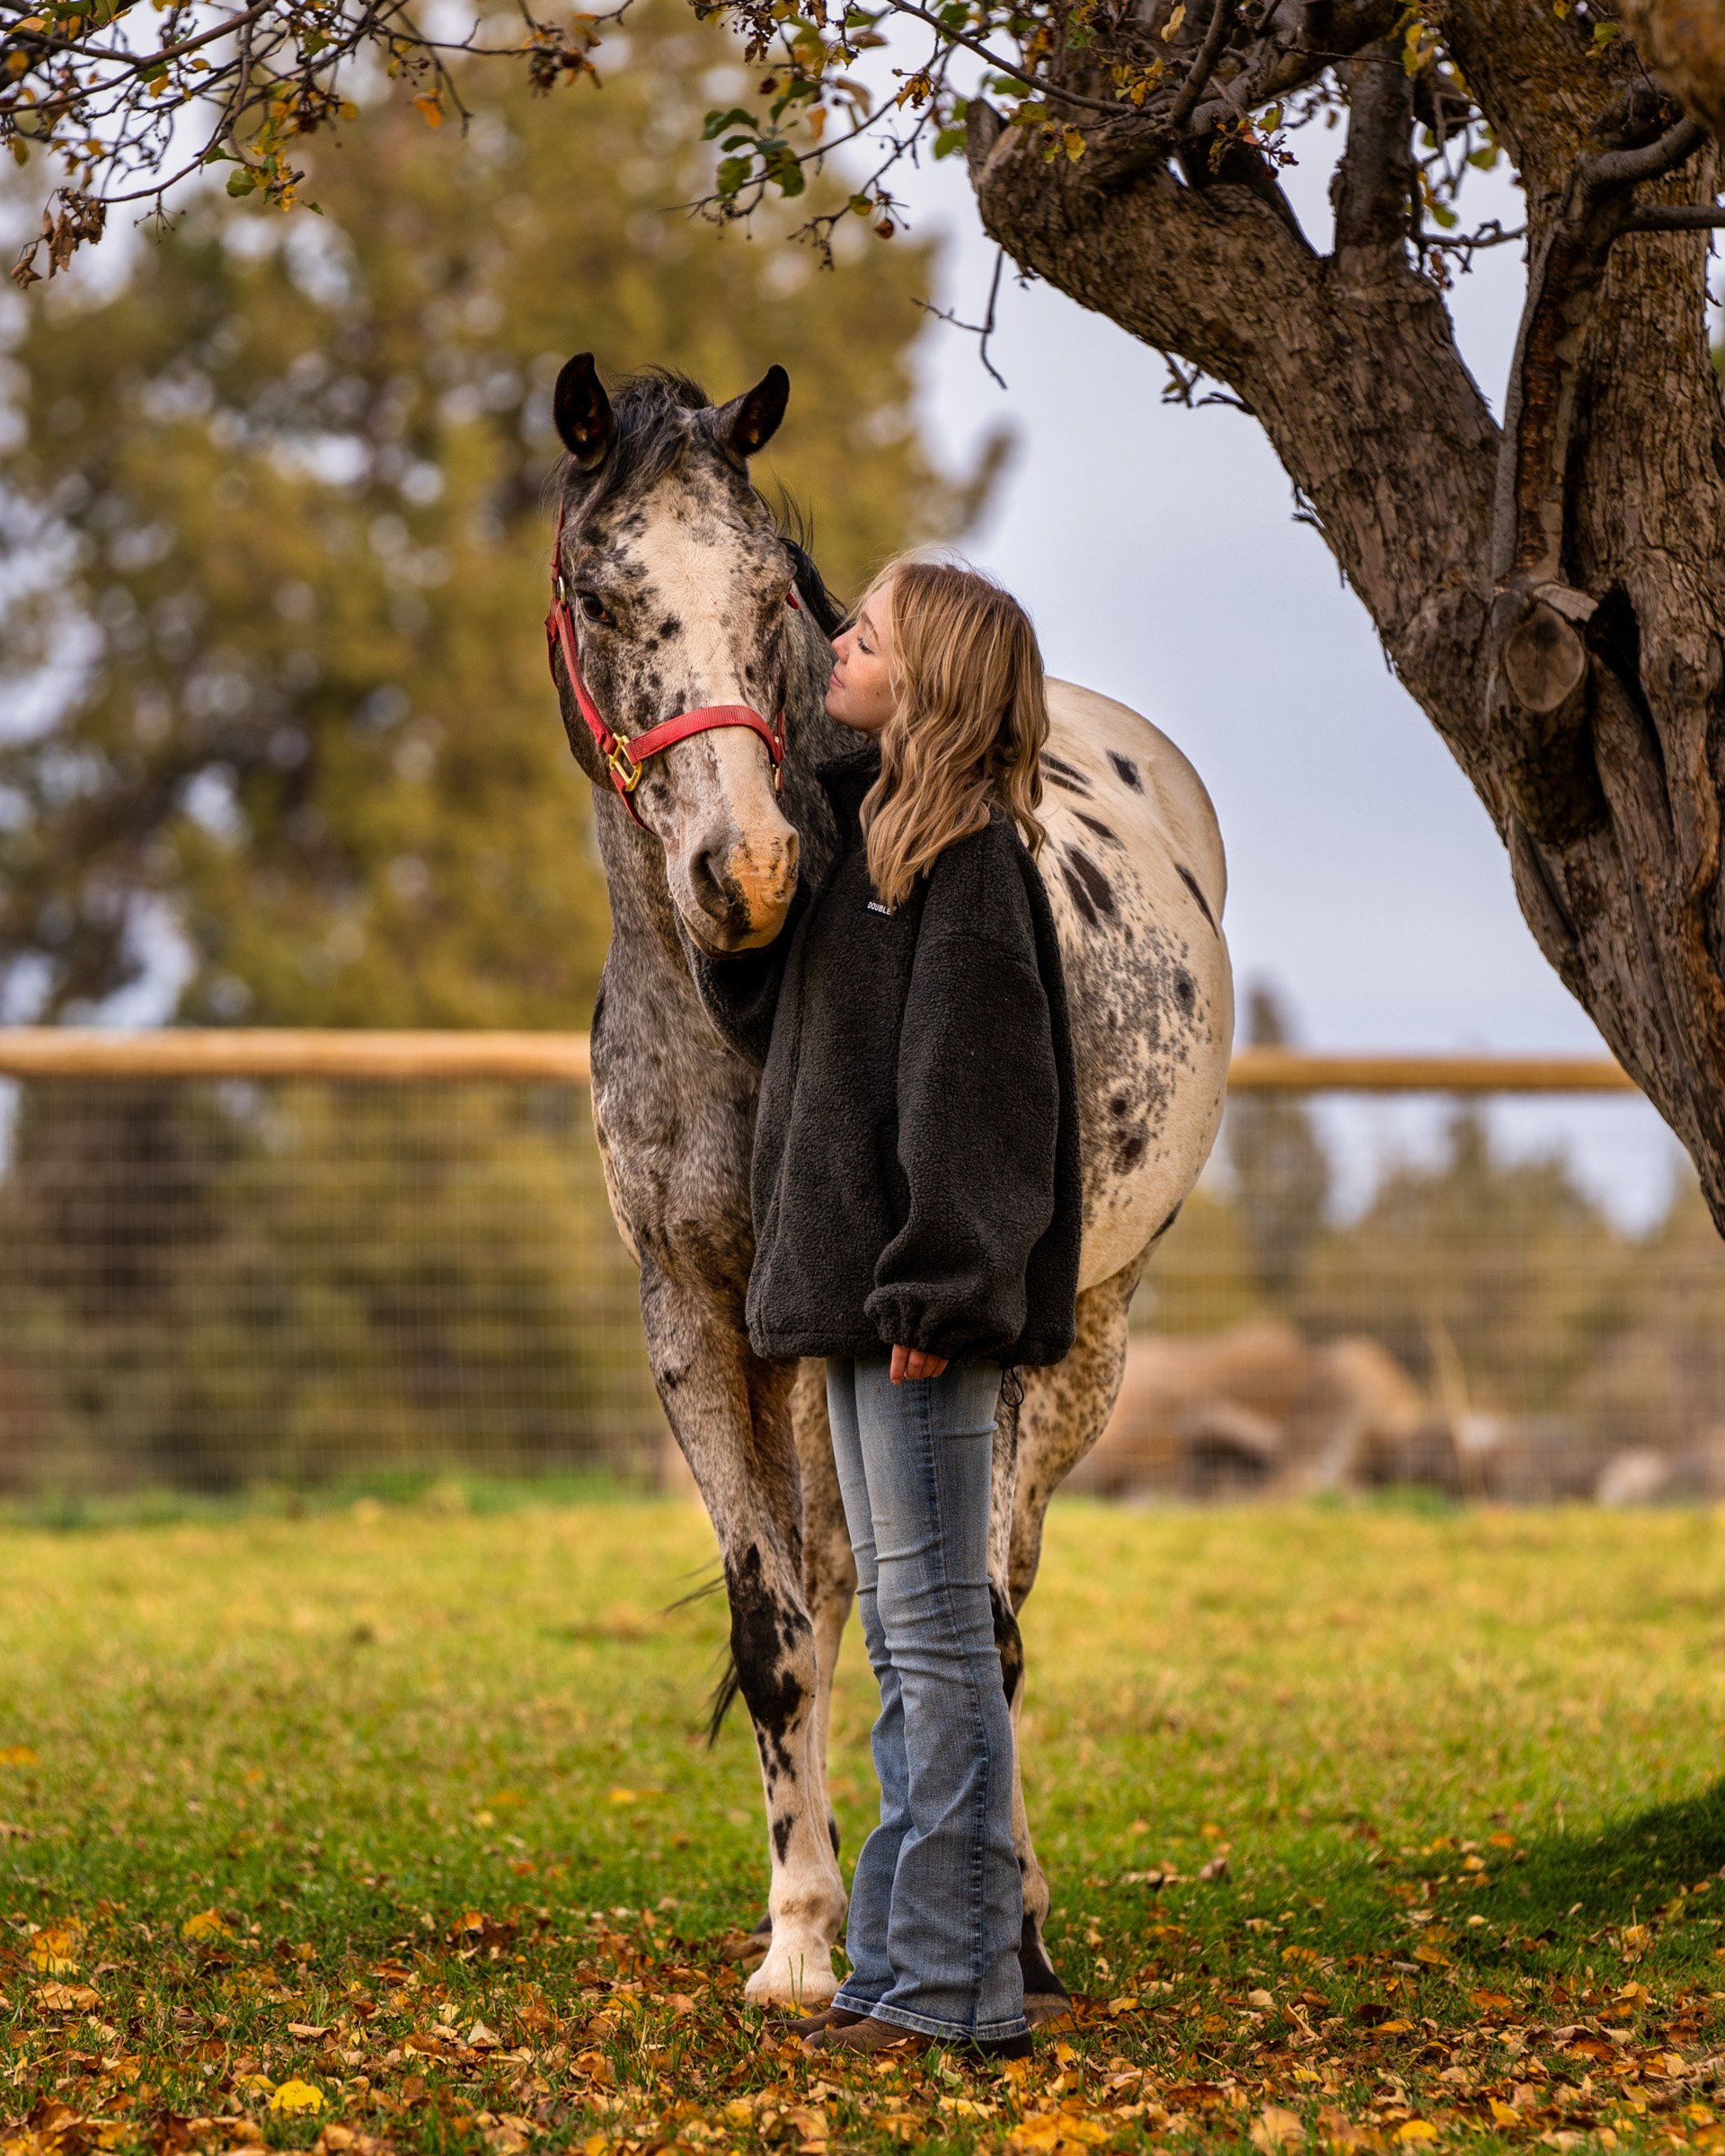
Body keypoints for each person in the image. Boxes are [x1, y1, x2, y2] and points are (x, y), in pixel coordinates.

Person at [694, 556, 1083, 2064]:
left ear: (931, 683)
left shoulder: (971, 867)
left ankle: (959, 1986)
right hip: (862, 1299)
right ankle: (905, 1965)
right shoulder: (870, 843)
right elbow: (769, 1014)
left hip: (920, 1306)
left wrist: (942, 1282)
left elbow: (981, 1104)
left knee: (932, 1649)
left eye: (862, 634)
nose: (834, 645)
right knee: (914, 1655)